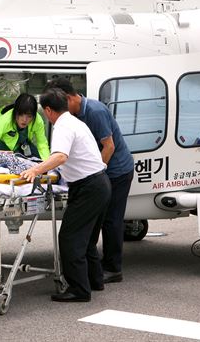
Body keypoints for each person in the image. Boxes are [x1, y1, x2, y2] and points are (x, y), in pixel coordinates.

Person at [21, 88, 111, 302]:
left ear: (49, 110)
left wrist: (36, 170)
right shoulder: (76, 122)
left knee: (70, 238)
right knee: (87, 239)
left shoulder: (62, 126)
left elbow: (61, 156)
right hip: (100, 183)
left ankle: (79, 290)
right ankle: (94, 280)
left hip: (88, 187)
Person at [44, 78, 134, 284]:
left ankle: (113, 268)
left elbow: (108, 146)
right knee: (94, 224)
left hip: (116, 171)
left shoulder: (94, 111)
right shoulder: (74, 116)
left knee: (111, 221)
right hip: (101, 173)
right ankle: (94, 272)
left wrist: (95, 173)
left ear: (67, 98)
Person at [0, 93, 50, 159]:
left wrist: (47, 166)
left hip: (18, 139)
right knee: (5, 158)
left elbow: (42, 144)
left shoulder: (38, 121)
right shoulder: (5, 120)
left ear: (34, 115)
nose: (24, 120)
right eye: (21, 115)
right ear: (15, 112)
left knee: (35, 156)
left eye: (29, 116)